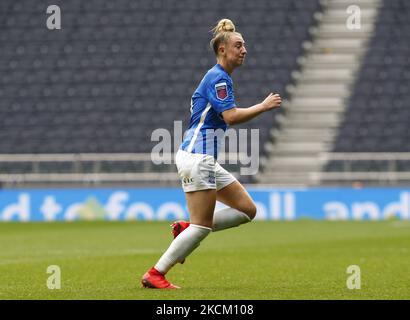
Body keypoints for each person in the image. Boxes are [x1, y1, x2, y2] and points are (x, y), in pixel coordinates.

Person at [141, 18, 282, 289]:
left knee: (246, 210)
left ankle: (185, 230)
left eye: (245, 46)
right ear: (222, 50)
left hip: (203, 159)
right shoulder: (218, 78)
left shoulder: (220, 78)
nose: (244, 50)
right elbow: (230, 116)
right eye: (238, 45)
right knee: (202, 226)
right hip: (197, 157)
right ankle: (156, 274)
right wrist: (263, 106)